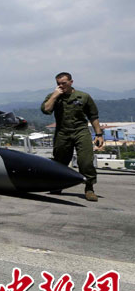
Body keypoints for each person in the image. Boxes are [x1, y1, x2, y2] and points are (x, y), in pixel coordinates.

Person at [41, 72, 103, 202]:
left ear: (71, 82)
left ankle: (89, 187)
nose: (61, 86)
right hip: (62, 132)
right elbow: (46, 110)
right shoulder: (53, 96)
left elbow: (93, 116)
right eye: (58, 83)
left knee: (85, 161)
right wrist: (55, 95)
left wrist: (98, 134)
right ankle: (58, 185)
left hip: (81, 131)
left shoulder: (83, 96)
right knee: (59, 161)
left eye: (64, 83)